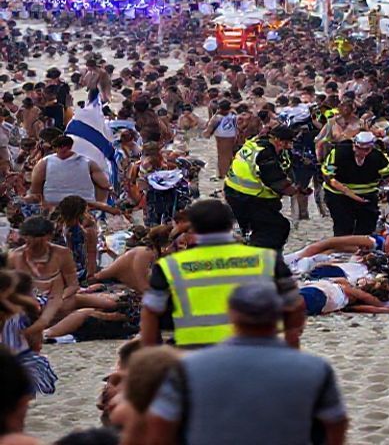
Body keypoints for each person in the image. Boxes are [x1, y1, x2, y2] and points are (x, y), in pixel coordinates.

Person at [146, 283, 348, 445]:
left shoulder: (190, 366)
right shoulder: (312, 368)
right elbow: (336, 424)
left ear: (232, 314)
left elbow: (161, 427)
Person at [139, 199, 305, 349]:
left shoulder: (171, 266)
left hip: (194, 352)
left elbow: (150, 312)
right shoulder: (266, 259)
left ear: (193, 227)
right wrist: (292, 344)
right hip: (254, 350)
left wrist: (152, 354)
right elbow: (294, 304)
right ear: (231, 225)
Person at [223, 126, 297, 252]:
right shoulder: (265, 154)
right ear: (276, 139)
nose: (288, 146)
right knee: (276, 228)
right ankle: (261, 257)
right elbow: (275, 181)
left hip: (233, 192)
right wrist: (295, 191)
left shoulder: (253, 144)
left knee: (255, 227)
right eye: (286, 142)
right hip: (248, 198)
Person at [322, 132, 389, 236]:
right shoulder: (338, 153)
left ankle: (360, 247)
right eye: (359, 148)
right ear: (354, 145)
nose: (362, 152)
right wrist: (351, 195)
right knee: (344, 225)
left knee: (367, 225)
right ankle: (341, 247)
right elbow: (330, 179)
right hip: (338, 193)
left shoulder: (379, 157)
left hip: (367, 194)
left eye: (366, 150)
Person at [28, 135, 110, 208]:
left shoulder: (88, 163)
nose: (62, 149)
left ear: (70, 146)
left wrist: (97, 206)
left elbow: (104, 186)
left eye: (65, 146)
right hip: (54, 208)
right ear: (54, 148)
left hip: (83, 208)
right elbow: (35, 191)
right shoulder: (44, 163)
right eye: (59, 146)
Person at [202, 99, 237, 180]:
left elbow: (207, 133)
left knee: (223, 157)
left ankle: (223, 175)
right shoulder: (234, 115)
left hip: (222, 138)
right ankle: (229, 173)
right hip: (232, 137)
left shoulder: (217, 118)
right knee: (229, 155)